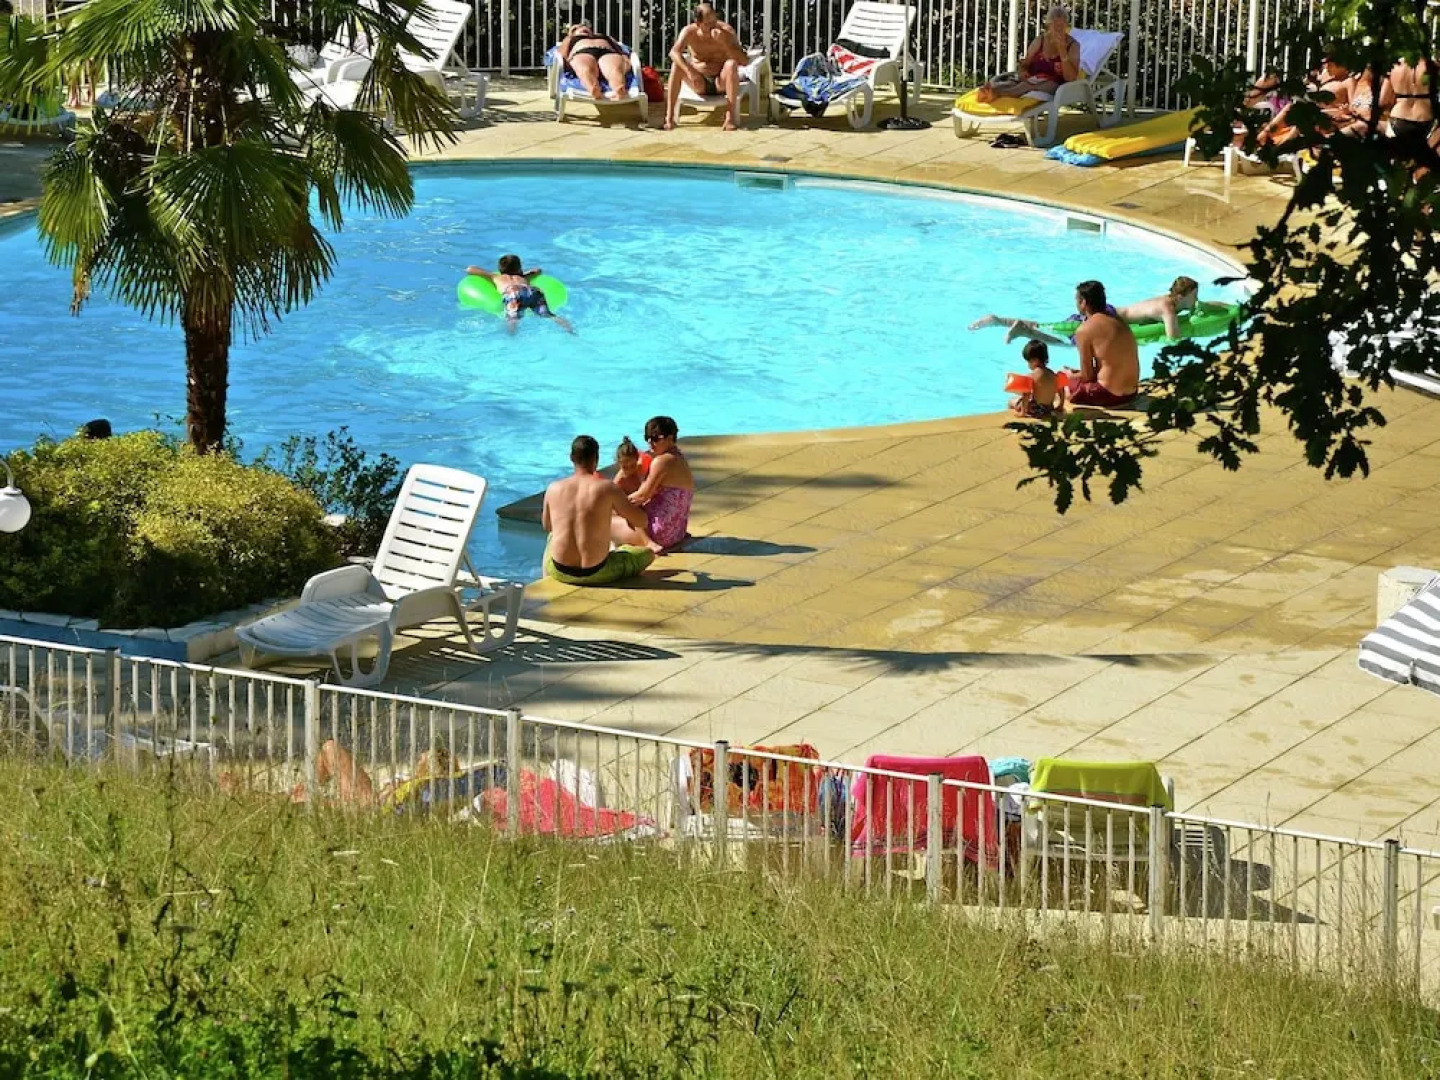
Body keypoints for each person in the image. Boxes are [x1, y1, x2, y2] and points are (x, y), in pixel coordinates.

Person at [971, 276, 1222, 345]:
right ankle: (1023, 331)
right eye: (1194, 296)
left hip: (1107, 310)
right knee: (1067, 342)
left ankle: (998, 320)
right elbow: (1172, 338)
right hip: (1105, 317)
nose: (1197, 300)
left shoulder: (1166, 299)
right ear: (1182, 296)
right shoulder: (1168, 308)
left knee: (1052, 325)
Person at [543, 434, 656, 585]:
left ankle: (545, 576)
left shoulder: (553, 488)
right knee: (646, 554)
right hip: (597, 571)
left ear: (571, 458)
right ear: (596, 459)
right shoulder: (607, 488)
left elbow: (547, 526)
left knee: (552, 537)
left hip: (560, 570)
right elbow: (641, 521)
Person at [611, 415, 695, 553]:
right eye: (647, 438)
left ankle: (646, 542)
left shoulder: (662, 462)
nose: (650, 443)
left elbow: (640, 497)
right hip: (677, 532)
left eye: (656, 438)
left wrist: (613, 503)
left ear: (670, 437)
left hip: (659, 534)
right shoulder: (680, 459)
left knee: (602, 521)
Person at [664, 3, 750, 131]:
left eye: (714, 21)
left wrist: (725, 43)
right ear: (698, 23)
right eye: (708, 24)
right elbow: (674, 52)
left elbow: (744, 61)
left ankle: (730, 117)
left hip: (720, 82)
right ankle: (669, 117)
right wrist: (690, 72)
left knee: (731, 64)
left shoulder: (726, 31)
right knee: (677, 65)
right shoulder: (690, 32)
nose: (713, 26)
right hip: (698, 81)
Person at [974, 5, 1079, 105]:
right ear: (1048, 25)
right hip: (1032, 78)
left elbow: (1071, 78)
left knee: (1026, 86)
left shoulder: (1073, 45)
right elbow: (1025, 63)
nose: (1058, 29)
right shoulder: (1040, 41)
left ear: (1066, 25)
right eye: (1055, 25)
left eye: (1061, 25)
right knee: (1008, 84)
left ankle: (996, 94)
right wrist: (1023, 71)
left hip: (1054, 85)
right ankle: (989, 91)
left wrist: (1063, 52)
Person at [1064, 280, 1140, 409]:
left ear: (1083, 302)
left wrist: (1071, 375)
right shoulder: (1119, 321)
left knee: (1062, 381)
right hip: (1132, 392)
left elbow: (1088, 377)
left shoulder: (1084, 330)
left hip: (1109, 395)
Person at [463, 255, 574, 335]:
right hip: (533, 291)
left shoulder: (495, 277)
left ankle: (512, 338)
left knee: (512, 319)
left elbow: (470, 269)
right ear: (519, 268)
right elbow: (538, 270)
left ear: (500, 269)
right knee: (549, 315)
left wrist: (488, 273)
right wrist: (525, 273)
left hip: (513, 293)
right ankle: (570, 330)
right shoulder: (524, 277)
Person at [1384, 57, 1436, 170]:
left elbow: (1383, 100)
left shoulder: (1394, 66)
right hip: (1425, 118)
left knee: (1396, 166)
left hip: (1398, 117)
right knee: (1426, 166)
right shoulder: (1433, 67)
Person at [558, 22, 631, 101]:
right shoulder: (570, 38)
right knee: (585, 69)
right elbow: (562, 53)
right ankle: (594, 89)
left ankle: (619, 89)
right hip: (582, 52)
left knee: (614, 69)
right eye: (575, 29)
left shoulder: (604, 37)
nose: (581, 28)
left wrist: (624, 58)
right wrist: (567, 62)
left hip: (608, 52)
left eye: (583, 26)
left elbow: (620, 50)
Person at [1010, 339, 1063, 420]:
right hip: (1049, 409)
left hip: (1035, 410)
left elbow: (1026, 394)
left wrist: (1023, 412)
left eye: (1028, 361)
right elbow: (1061, 390)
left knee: (1011, 402)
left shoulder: (1031, 375)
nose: (1028, 364)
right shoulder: (1053, 374)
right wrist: (1060, 406)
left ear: (1035, 360)